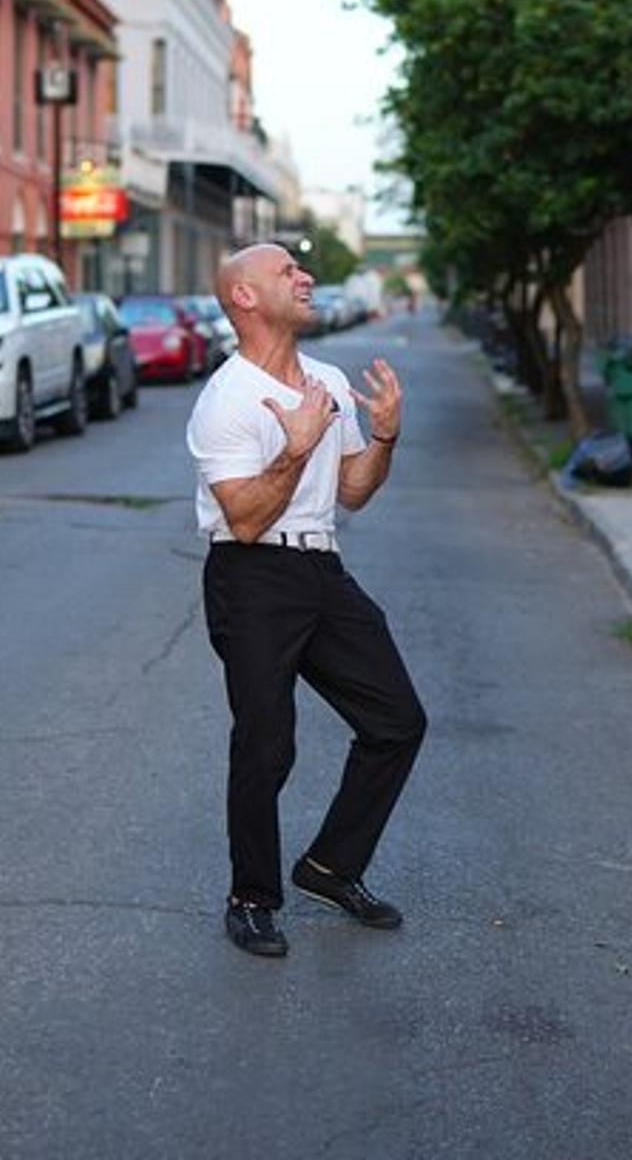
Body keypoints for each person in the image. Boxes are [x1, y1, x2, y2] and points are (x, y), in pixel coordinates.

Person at [186, 243, 427, 959]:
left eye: (302, 268)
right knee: (266, 743)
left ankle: (331, 864)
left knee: (397, 719)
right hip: (251, 576)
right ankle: (252, 896)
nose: (305, 277)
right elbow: (248, 519)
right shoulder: (224, 399)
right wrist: (292, 449)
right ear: (246, 298)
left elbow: (353, 490)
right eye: (287, 271)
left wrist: (384, 433)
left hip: (322, 567)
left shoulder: (324, 377)